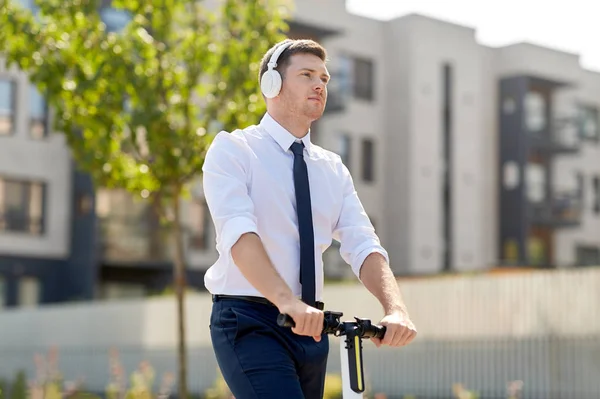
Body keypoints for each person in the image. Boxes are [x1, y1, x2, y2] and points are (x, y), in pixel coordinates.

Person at [202, 38, 417, 399]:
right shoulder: (234, 150)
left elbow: (362, 243)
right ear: (272, 84)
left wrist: (395, 309)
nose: (320, 84)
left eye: (325, 78)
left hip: (311, 328)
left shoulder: (332, 168)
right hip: (249, 320)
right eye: (306, 74)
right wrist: (287, 301)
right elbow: (239, 235)